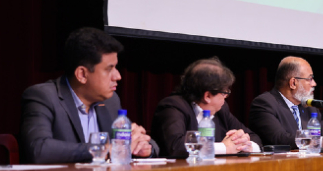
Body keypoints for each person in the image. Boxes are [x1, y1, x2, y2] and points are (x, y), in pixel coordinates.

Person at [20, 27, 158, 163]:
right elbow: (38, 150)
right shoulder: (44, 96)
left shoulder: (110, 101)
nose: (118, 76)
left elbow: (147, 144)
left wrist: (142, 147)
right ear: (82, 74)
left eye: (116, 67)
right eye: (109, 69)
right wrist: (104, 150)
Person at [151, 57, 262, 158]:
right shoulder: (173, 106)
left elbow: (254, 137)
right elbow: (175, 146)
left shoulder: (221, 110)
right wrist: (224, 148)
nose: (226, 97)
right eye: (224, 93)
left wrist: (245, 145)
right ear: (207, 96)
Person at [249, 56, 323, 148]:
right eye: (310, 79)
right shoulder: (264, 103)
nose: (314, 84)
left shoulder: (309, 107)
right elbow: (281, 139)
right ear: (293, 83)